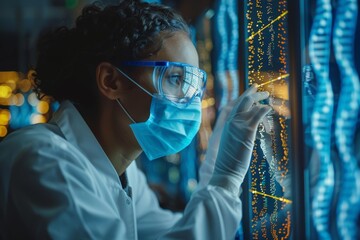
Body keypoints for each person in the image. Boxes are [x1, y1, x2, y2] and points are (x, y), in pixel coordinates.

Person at [0, 0, 271, 239]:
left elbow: (172, 232)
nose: (191, 102)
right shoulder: (43, 159)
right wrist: (225, 180)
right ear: (111, 81)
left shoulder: (124, 171)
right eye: (175, 79)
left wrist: (217, 173)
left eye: (193, 86)